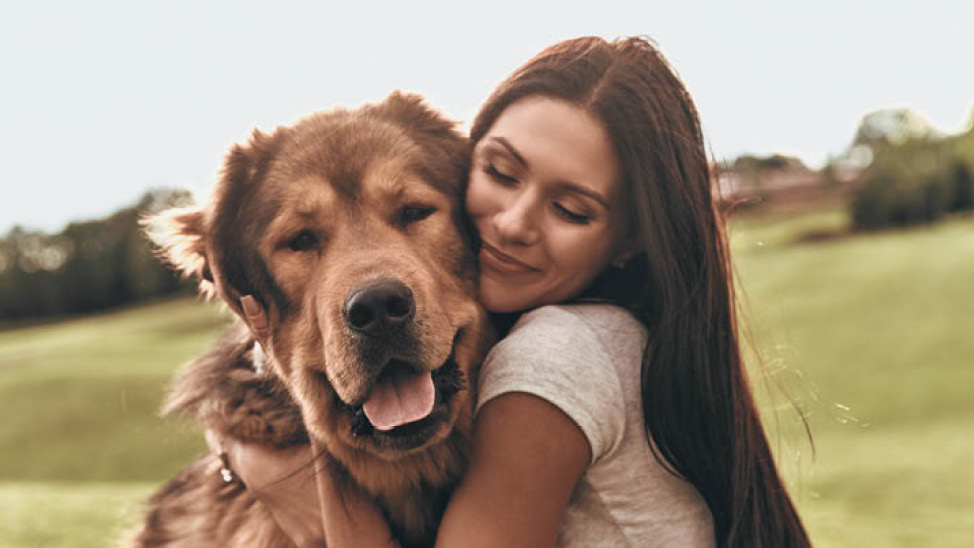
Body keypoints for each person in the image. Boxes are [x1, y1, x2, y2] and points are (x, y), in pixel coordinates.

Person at [226, 35, 812, 548]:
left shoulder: (550, 358)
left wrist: (294, 474)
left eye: (570, 208)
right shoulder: (632, 338)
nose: (511, 224)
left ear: (629, 240)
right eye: (502, 174)